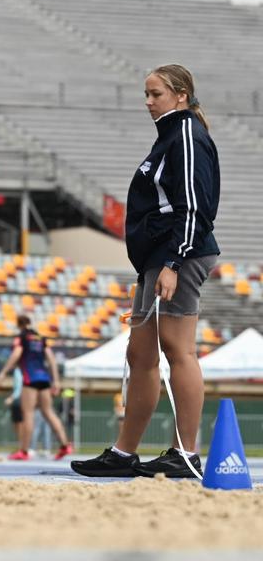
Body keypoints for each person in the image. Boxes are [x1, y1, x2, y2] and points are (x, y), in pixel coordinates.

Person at [73, 64, 220, 479]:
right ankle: (123, 453)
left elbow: (196, 206)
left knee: (179, 350)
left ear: (180, 95)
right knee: (140, 354)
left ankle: (186, 452)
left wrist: (174, 262)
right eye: (146, 94)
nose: (148, 103)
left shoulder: (187, 134)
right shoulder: (170, 136)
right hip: (157, 258)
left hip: (179, 255)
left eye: (155, 94)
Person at [0, 315, 73, 461]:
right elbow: (51, 358)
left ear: (18, 324)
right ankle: (65, 445)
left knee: (28, 414)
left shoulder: (21, 337)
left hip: (30, 378)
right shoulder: (40, 338)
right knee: (48, 412)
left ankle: (24, 451)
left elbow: (16, 354)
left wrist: (4, 372)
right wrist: (55, 380)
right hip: (44, 378)